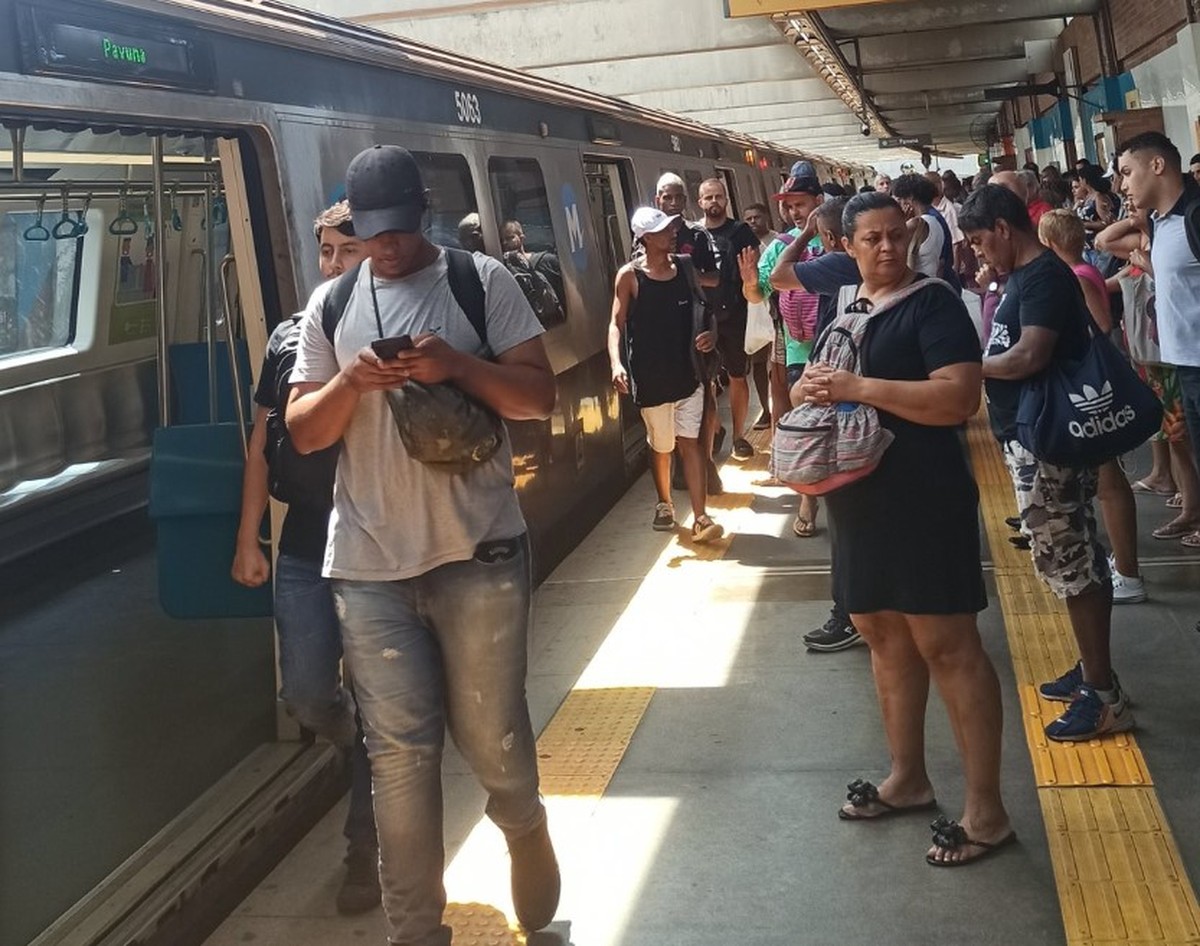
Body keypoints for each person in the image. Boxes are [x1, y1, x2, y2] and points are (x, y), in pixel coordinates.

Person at [287, 145, 560, 946]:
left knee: (491, 737)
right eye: (373, 233)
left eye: (400, 230)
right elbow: (305, 433)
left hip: (478, 554)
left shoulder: (482, 282)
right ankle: (416, 933)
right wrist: (351, 384)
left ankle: (522, 820)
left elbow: (538, 397)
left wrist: (455, 365)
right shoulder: (331, 306)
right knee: (400, 755)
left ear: (424, 213)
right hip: (369, 565)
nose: (387, 247)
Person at [797, 192, 1012, 866]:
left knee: (947, 644)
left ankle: (987, 811)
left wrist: (858, 389)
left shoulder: (934, 303)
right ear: (849, 246)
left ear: (912, 237)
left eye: (897, 236)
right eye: (871, 239)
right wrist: (811, 389)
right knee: (882, 632)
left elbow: (957, 396)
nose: (887, 249)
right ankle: (907, 777)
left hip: (924, 496)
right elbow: (829, 379)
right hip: (860, 497)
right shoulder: (850, 305)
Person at [231, 201, 380, 915]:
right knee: (308, 692)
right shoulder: (290, 336)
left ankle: (364, 853)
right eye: (324, 251)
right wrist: (247, 537)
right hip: (304, 541)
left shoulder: (392, 337)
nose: (330, 265)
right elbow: (263, 441)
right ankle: (357, 736)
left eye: (345, 251)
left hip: (380, 538)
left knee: (383, 705)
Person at [960, 183, 1132, 742]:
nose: (980, 252)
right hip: (1033, 437)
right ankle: (1092, 670)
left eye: (982, 240)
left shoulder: (1042, 278)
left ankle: (1102, 695)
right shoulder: (1027, 277)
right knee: (1075, 553)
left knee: (1071, 561)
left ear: (1005, 229)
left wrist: (969, 368)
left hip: (1047, 443)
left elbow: (1030, 354)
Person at [770, 197, 865, 651]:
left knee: (848, 525)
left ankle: (848, 614)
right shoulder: (918, 292)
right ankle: (858, 610)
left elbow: (777, 277)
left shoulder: (838, 266)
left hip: (850, 418)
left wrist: (804, 234)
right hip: (860, 411)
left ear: (833, 240)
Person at [1037, 209, 1145, 604]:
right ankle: (1123, 564)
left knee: (1109, 480)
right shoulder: (1084, 270)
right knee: (1103, 479)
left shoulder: (1075, 277)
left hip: (1094, 390)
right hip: (1095, 387)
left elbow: (1099, 326)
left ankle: (1129, 572)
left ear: (1048, 243)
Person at [608, 207, 724, 543]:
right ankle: (664, 502)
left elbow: (706, 311)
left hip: (689, 373)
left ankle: (701, 516)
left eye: (671, 228)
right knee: (661, 445)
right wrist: (616, 363)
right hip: (652, 376)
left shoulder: (686, 269)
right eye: (663, 230)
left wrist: (712, 335)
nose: (672, 233)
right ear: (644, 238)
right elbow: (615, 324)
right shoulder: (629, 277)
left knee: (691, 444)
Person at [1097, 202, 1200, 545]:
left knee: (1179, 435)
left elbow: (1171, 281)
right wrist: (1134, 220)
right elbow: (1104, 241)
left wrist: (1146, 261)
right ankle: (1186, 498)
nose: (1128, 197)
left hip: (1170, 356)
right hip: (1154, 353)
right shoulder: (1143, 244)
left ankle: (1190, 506)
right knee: (1173, 434)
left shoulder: (1164, 246)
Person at [1116, 132, 1200, 549]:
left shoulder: (1195, 217)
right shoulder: (1161, 224)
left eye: (1127, 172)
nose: (1122, 185)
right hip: (1184, 360)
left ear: (1158, 166)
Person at [655, 172, 724, 494]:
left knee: (705, 394)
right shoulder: (644, 236)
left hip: (695, 327)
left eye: (676, 197)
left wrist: (685, 272)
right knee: (672, 400)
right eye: (664, 197)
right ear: (657, 200)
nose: (670, 203)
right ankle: (683, 465)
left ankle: (705, 460)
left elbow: (714, 278)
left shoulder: (697, 237)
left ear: (685, 201)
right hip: (663, 332)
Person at [698, 177, 761, 462]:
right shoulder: (694, 234)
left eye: (718, 197)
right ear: (700, 202)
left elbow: (754, 267)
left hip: (734, 315)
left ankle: (738, 436)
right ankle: (715, 428)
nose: (713, 202)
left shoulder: (741, 233)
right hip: (702, 318)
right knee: (704, 380)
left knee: (737, 375)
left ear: (726, 199)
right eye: (708, 197)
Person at [742, 202, 779, 429]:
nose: (753, 222)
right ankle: (766, 410)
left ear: (766, 217)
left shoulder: (779, 242)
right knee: (757, 361)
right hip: (755, 309)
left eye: (757, 217)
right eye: (749, 219)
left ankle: (779, 405)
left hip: (778, 307)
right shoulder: (744, 245)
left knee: (777, 362)